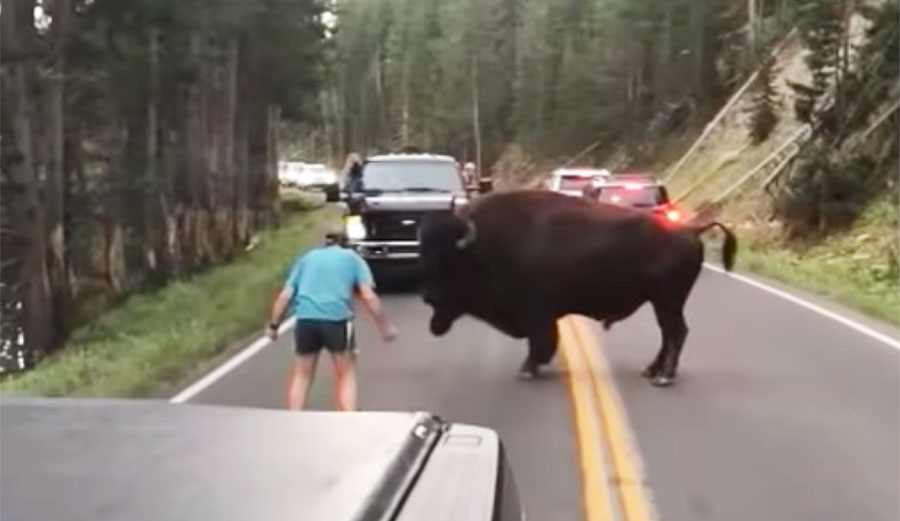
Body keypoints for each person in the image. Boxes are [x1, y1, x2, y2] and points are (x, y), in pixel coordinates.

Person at [267, 231, 396, 411]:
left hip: (305, 320)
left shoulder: (307, 258)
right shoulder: (352, 259)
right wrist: (385, 327)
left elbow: (285, 296)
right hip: (337, 320)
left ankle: (294, 417)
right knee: (345, 373)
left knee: (302, 374)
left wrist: (274, 326)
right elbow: (368, 296)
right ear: (346, 244)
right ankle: (348, 417)